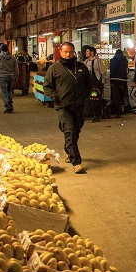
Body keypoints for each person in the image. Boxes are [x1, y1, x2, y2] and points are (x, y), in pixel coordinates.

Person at [44, 42, 90, 174]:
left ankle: (67, 149)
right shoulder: (54, 68)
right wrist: (55, 97)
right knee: (69, 131)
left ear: (74, 52)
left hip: (79, 105)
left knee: (76, 130)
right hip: (63, 106)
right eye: (65, 52)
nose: (68, 54)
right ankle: (77, 163)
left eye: (70, 52)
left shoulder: (81, 67)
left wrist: (85, 96)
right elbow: (47, 86)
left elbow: (88, 84)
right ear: (60, 52)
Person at [0, 43, 19, 113]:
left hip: (3, 76)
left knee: (4, 92)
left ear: (1, 50)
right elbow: (16, 67)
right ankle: (10, 104)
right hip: (11, 76)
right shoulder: (13, 57)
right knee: (9, 91)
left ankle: (8, 106)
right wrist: (16, 75)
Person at [84, 46, 107, 122]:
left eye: (87, 51)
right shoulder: (86, 62)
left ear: (92, 52)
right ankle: (94, 114)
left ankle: (97, 116)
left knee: (96, 99)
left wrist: (102, 81)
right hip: (89, 83)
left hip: (96, 83)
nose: (86, 53)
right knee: (91, 99)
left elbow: (104, 72)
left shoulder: (98, 61)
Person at [109, 49, 128, 118]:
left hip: (114, 79)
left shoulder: (112, 60)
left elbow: (111, 69)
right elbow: (126, 69)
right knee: (121, 95)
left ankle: (117, 112)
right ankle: (122, 108)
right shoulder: (125, 60)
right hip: (122, 79)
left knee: (116, 96)